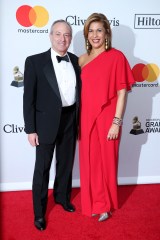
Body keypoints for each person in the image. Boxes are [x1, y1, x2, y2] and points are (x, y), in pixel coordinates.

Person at [23, 20, 81, 231]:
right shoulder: (34, 62)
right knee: (42, 169)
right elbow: (28, 98)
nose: (62, 39)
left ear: (70, 38)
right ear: (50, 35)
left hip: (69, 120)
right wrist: (31, 129)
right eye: (58, 34)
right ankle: (39, 213)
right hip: (45, 123)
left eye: (66, 35)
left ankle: (62, 198)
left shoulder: (76, 61)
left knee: (65, 165)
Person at [78, 13, 135, 222]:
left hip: (108, 117)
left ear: (107, 33)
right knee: (89, 161)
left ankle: (105, 205)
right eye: (91, 31)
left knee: (106, 161)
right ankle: (92, 202)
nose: (95, 35)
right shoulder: (81, 60)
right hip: (85, 118)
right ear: (86, 34)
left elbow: (122, 92)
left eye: (99, 30)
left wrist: (116, 122)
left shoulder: (117, 56)